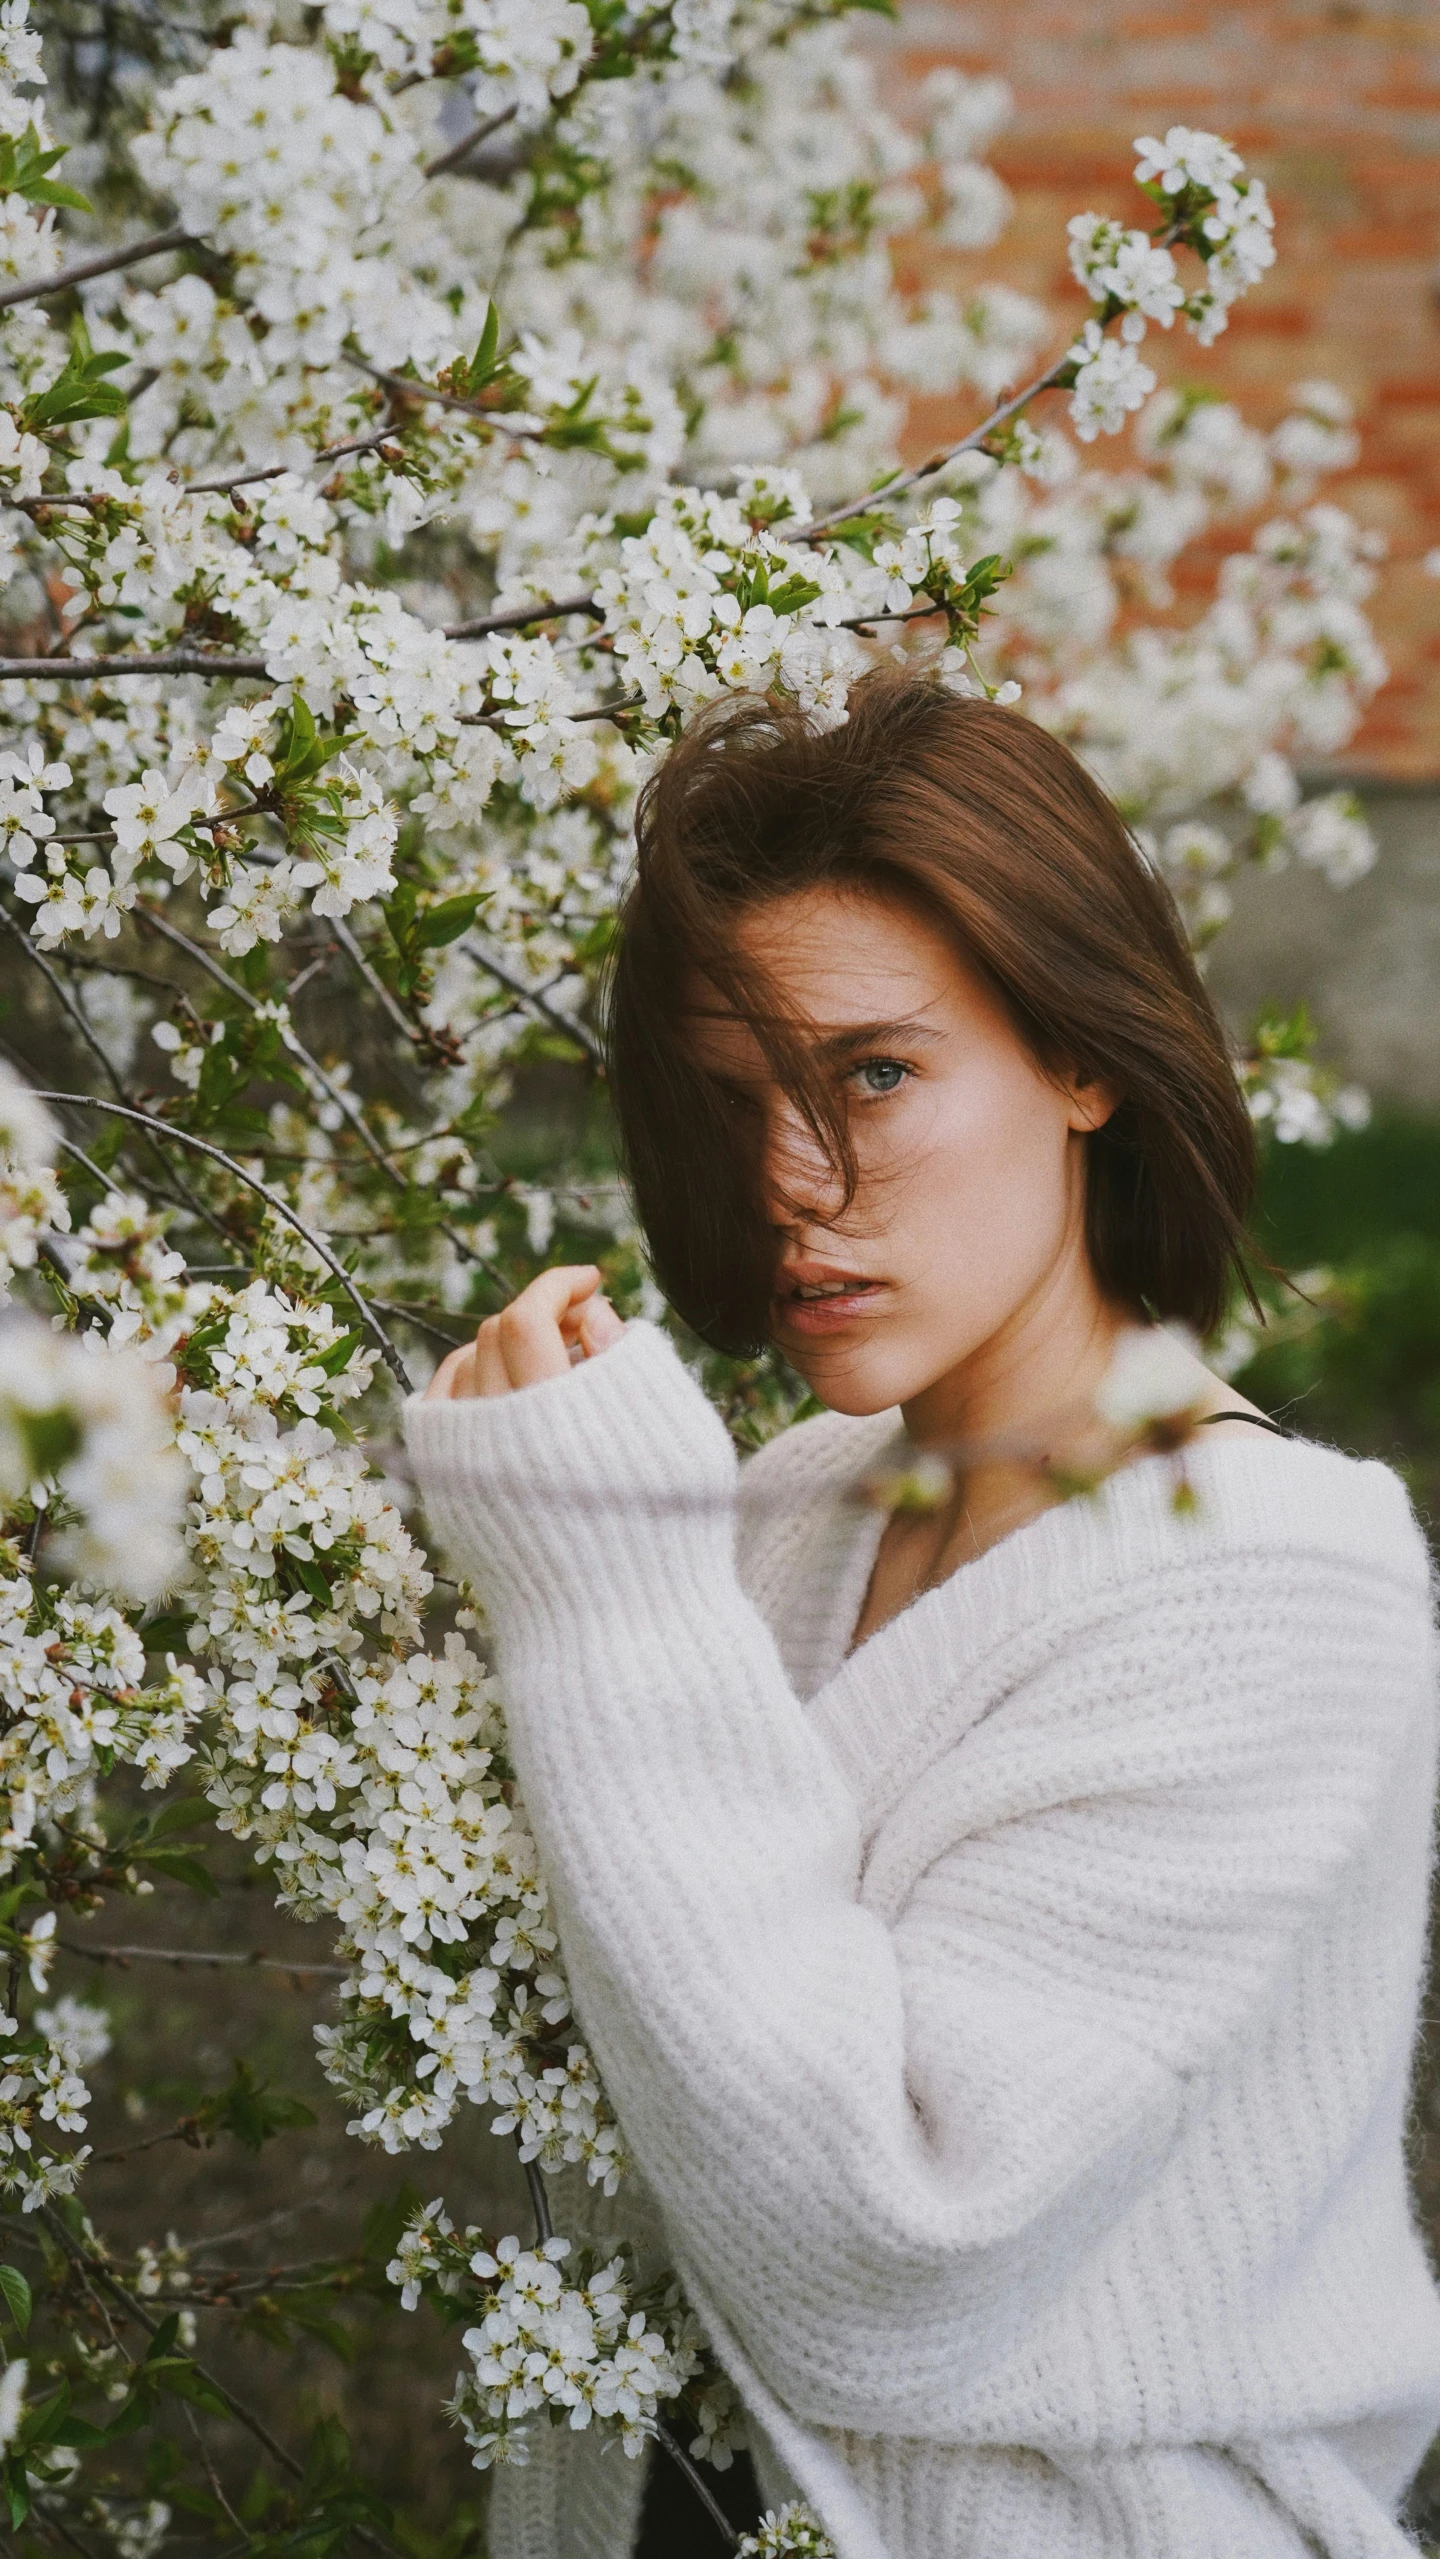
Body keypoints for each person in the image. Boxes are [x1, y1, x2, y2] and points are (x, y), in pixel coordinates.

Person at [404, 678, 1440, 2559]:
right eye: (734, 1099)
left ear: (1080, 1058)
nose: (789, 1180)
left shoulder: (1279, 1581)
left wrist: (598, 1589)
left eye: (872, 1072)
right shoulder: (787, 1514)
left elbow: (882, 2249)